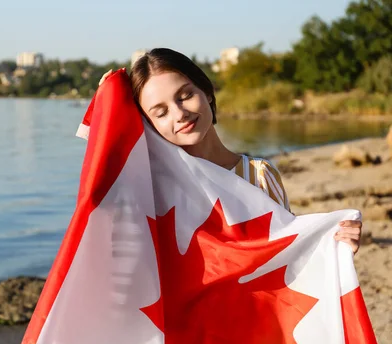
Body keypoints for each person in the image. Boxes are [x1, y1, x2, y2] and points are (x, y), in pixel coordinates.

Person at [97, 48, 363, 254]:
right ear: (150, 124)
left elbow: (289, 251)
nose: (179, 114)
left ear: (208, 92)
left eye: (186, 95)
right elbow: (109, 233)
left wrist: (333, 244)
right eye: (161, 112)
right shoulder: (154, 188)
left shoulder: (257, 175)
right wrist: (104, 118)